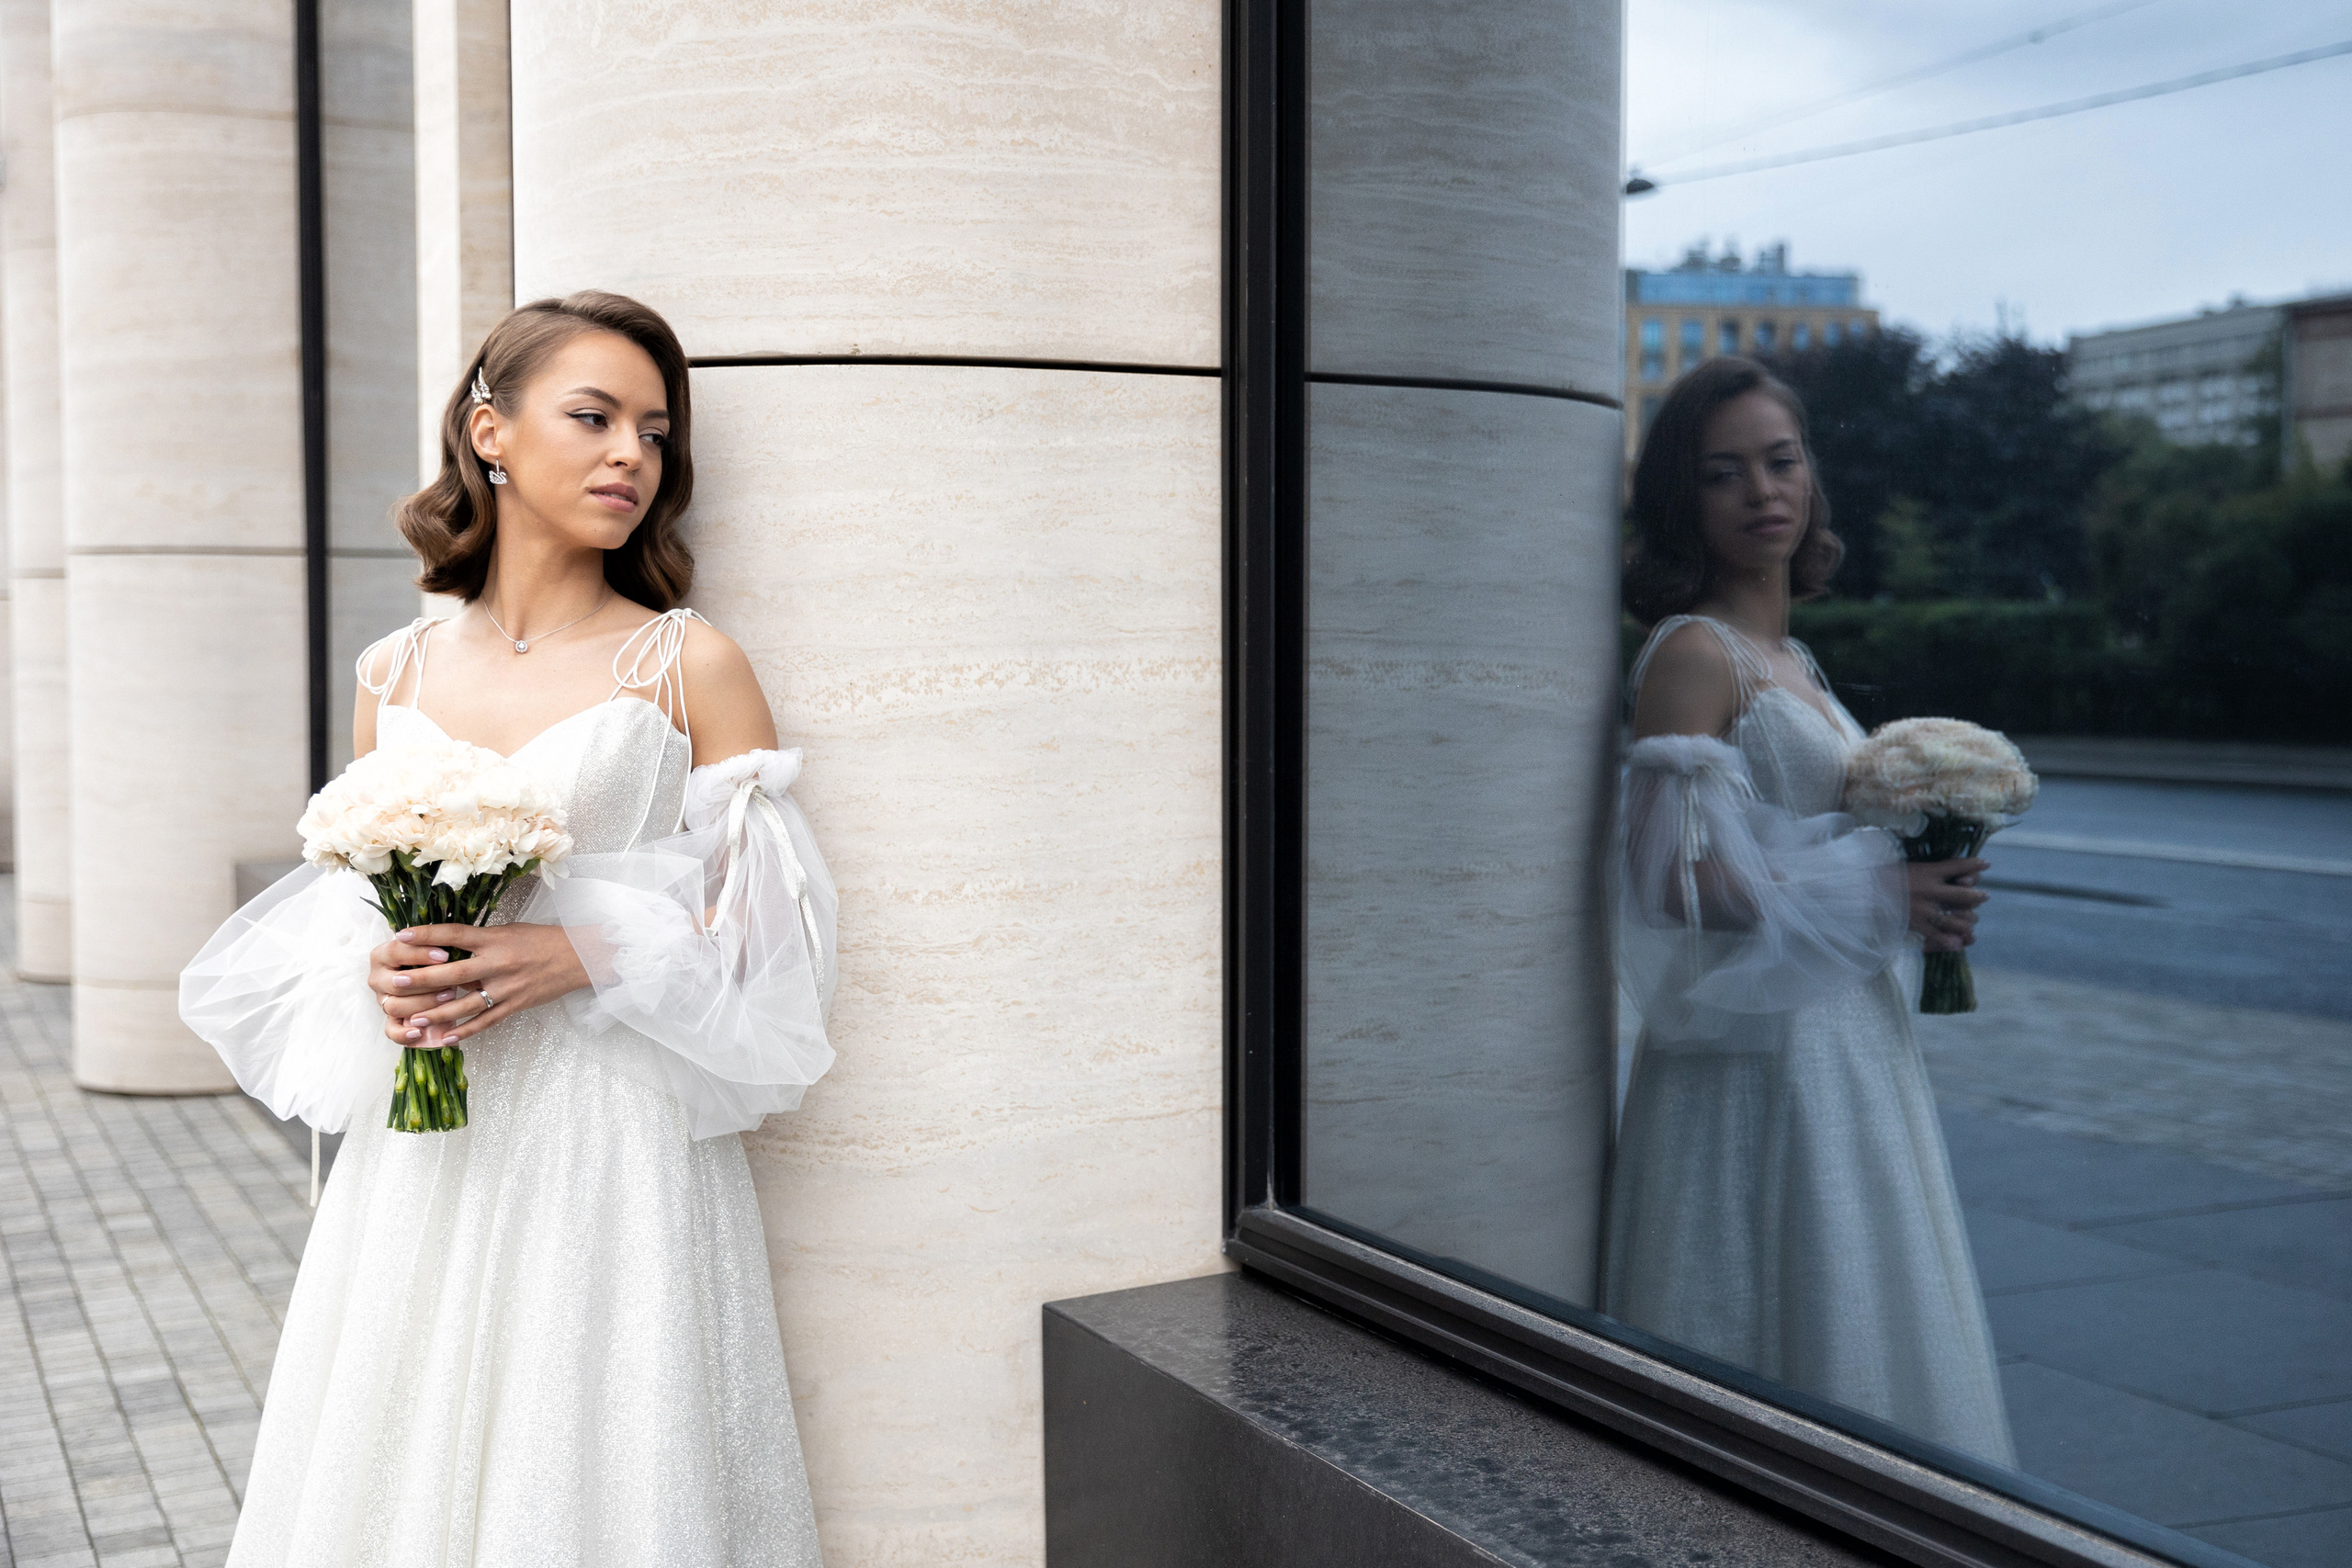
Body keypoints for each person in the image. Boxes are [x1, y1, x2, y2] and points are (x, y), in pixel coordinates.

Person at [179, 291, 836, 1563]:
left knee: (596, 1448)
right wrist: (378, 965)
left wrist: (584, 951)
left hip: (610, 1129)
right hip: (431, 1141)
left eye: (654, 431)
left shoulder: (686, 662)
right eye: (593, 417)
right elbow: (355, 902)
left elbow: (775, 942)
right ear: (491, 430)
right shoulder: (395, 673)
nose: (630, 456)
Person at [1602, 356, 2014, 1466]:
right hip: (1756, 1057)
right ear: (1683, 501)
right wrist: (1885, 893)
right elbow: (1665, 879)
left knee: (1862, 1299)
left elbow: (1792, 850)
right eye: (1721, 473)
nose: (1760, 493)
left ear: (1810, 476)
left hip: (1844, 1039)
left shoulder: (1795, 658)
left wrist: (1920, 896)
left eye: (1779, 462)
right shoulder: (1695, 654)